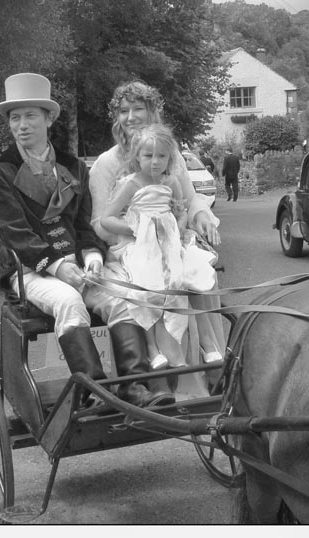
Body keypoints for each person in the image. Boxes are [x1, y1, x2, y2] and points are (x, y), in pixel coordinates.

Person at [0, 73, 173, 409]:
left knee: (124, 297)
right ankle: (94, 391)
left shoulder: (74, 168)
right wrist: (59, 267)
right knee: (69, 301)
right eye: (15, 118)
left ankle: (136, 387)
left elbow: (85, 226)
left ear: (49, 119)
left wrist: (94, 257)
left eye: (30, 116)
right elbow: (15, 233)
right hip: (32, 271)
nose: (22, 126)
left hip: (80, 264)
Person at [86, 80, 227, 400]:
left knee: (196, 269)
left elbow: (188, 200)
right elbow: (100, 223)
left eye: (139, 109)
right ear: (116, 118)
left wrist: (200, 217)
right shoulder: (107, 164)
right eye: (124, 111)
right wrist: (139, 229)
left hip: (170, 239)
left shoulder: (169, 152)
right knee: (152, 280)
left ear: (153, 113)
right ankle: (159, 371)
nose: (131, 117)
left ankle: (210, 360)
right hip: (128, 247)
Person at [100, 124, 219, 371]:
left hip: (169, 243)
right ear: (136, 156)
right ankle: (153, 349)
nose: (155, 162)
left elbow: (181, 211)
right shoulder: (131, 184)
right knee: (146, 286)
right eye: (148, 156)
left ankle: (208, 344)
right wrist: (137, 228)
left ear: (170, 158)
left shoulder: (172, 181)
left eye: (161, 156)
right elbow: (106, 219)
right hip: (142, 246)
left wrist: (177, 224)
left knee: (193, 277)